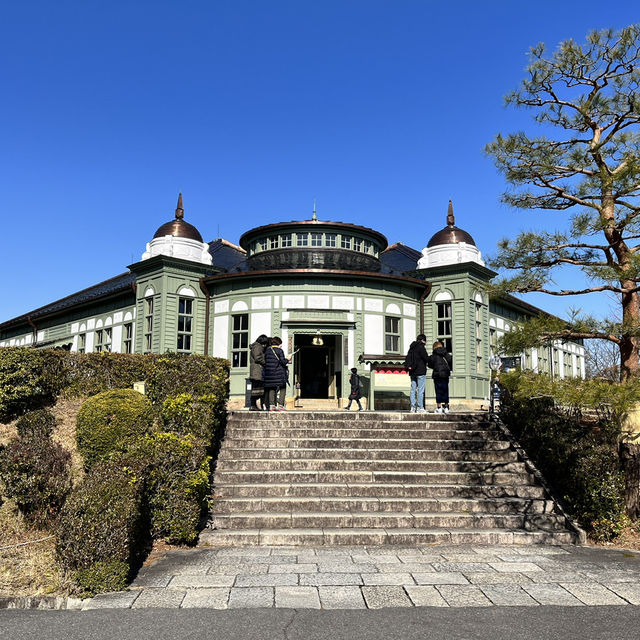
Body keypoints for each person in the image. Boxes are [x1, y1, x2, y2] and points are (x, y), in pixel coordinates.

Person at [404, 334, 429, 413]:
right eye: (425, 341)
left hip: (412, 371)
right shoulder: (421, 348)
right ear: (423, 340)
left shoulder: (411, 347)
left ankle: (412, 407)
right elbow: (426, 358)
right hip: (421, 371)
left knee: (413, 389)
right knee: (420, 390)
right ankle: (420, 407)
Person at [263, 336, 289, 411]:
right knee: (283, 387)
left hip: (269, 373)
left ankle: (272, 405)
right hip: (279, 373)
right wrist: (287, 359)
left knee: (272, 388)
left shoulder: (267, 351)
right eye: (280, 343)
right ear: (278, 343)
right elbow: (283, 362)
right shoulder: (279, 351)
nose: (281, 345)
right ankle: (281, 405)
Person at [427, 341, 453, 413]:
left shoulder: (433, 355)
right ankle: (446, 407)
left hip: (437, 374)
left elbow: (430, 364)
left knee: (438, 391)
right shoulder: (446, 353)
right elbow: (451, 361)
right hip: (445, 374)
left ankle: (439, 407)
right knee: (445, 390)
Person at [249, 334, 269, 411]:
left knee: (257, 389)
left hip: (256, 370)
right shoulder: (257, 347)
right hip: (257, 370)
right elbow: (258, 358)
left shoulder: (256, 346)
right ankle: (253, 405)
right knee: (256, 389)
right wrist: (265, 363)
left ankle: (254, 405)